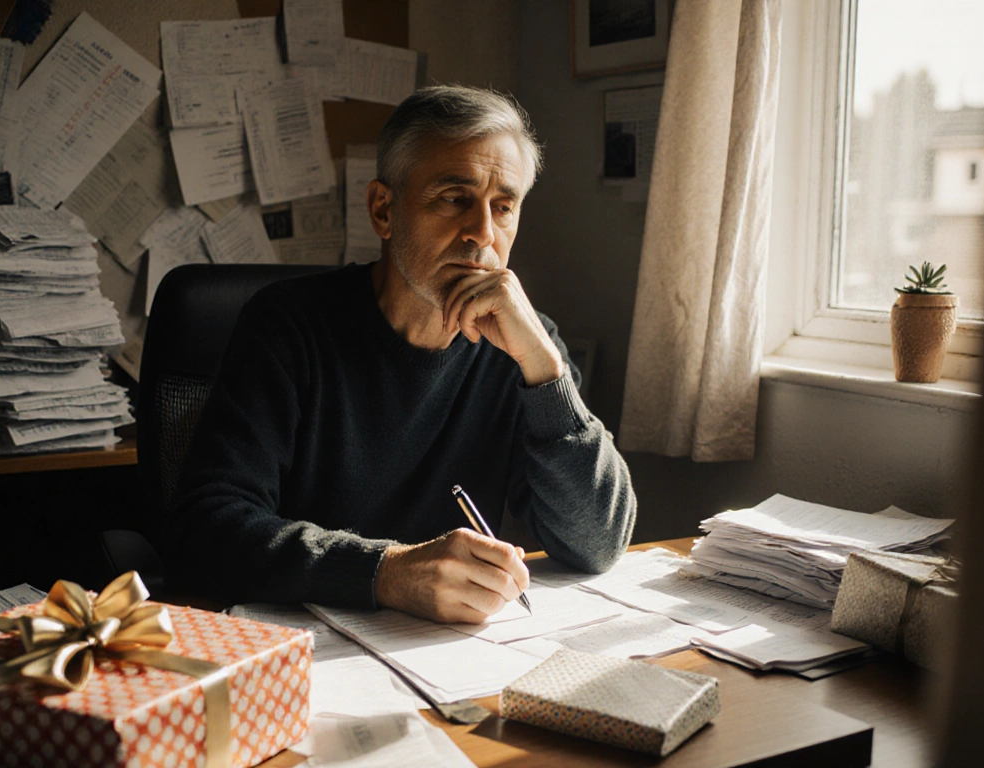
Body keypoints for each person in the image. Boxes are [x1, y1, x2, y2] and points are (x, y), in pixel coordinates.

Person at [164, 85, 636, 623]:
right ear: (383, 210)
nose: (483, 232)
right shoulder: (288, 326)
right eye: (455, 199)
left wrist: (548, 373)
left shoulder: (525, 346)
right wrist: (386, 571)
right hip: (296, 644)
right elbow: (205, 528)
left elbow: (597, 544)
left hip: (443, 653)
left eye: (503, 207)